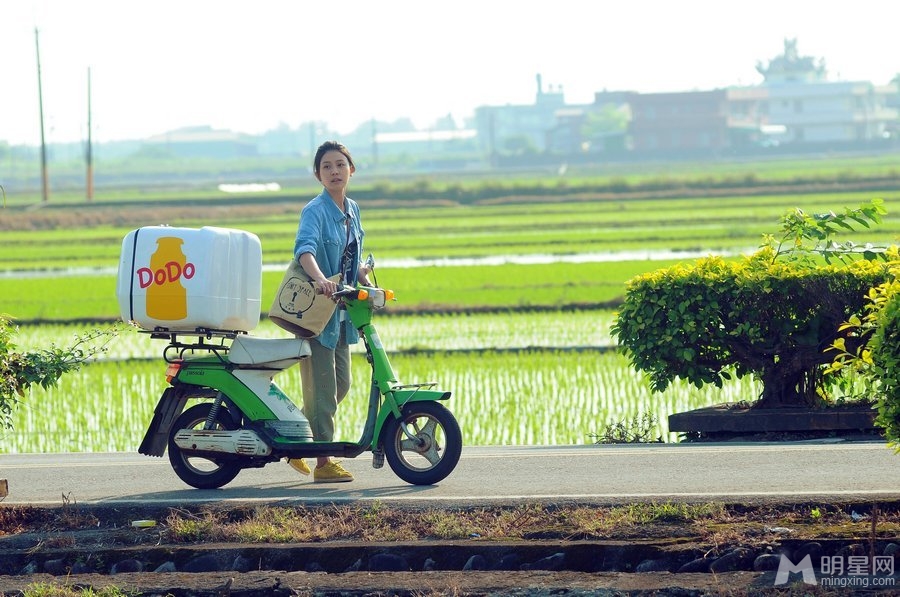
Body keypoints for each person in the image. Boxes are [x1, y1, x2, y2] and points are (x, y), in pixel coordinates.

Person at [287, 141, 371, 483]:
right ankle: (323, 462)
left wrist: (361, 275)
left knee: (341, 384)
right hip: (317, 313)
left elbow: (350, 257)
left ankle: (296, 442)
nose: (334, 171)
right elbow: (304, 249)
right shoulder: (315, 211)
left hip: (341, 315)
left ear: (352, 169)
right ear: (318, 175)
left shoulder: (352, 209)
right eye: (327, 167)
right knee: (322, 394)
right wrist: (321, 279)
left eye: (340, 165)